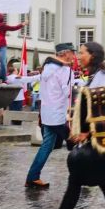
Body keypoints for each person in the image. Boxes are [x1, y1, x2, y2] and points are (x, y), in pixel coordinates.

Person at [30, 41, 105, 209]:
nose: (79, 56)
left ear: (92, 55)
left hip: (98, 142)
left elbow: (104, 112)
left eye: (83, 52)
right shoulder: (95, 77)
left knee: (80, 183)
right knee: (97, 184)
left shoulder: (101, 78)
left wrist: (88, 134)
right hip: (97, 141)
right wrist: (81, 130)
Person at [24, 43, 76, 188]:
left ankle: (33, 177)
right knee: (76, 143)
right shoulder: (65, 70)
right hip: (59, 115)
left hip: (48, 114)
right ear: (65, 53)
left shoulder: (47, 68)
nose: (74, 56)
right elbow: (68, 93)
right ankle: (83, 177)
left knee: (47, 146)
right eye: (72, 52)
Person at [0, 13, 25, 84]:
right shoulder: (1, 25)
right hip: (1, 45)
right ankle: (4, 80)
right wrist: (22, 24)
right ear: (0, 18)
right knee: (2, 62)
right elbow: (13, 28)